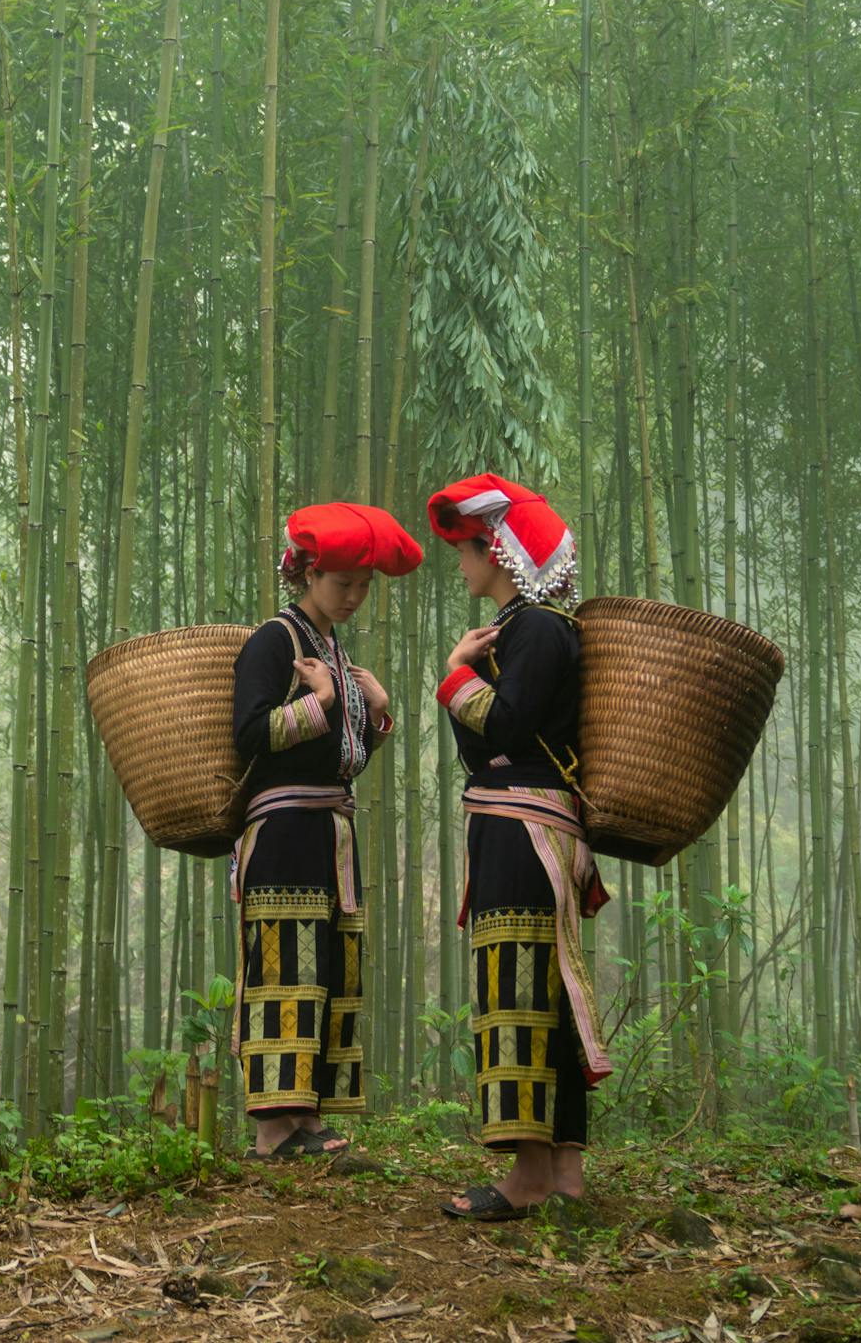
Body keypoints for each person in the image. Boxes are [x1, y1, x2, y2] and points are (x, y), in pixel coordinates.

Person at [425, 473, 612, 1221]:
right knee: (545, 990)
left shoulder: (536, 629)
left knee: (520, 990)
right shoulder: (533, 630)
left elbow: (502, 730)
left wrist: (454, 674)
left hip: (522, 832)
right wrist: (467, 671)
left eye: (467, 552)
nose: (462, 565)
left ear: (497, 549)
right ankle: (562, 1172)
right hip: (528, 824)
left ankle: (529, 1177)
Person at [228, 501, 422, 1165]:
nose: (355, 597)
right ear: (308, 572)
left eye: (365, 586)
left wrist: (378, 713)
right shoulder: (271, 642)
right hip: (282, 830)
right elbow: (250, 736)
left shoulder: (330, 649)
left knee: (325, 969)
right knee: (284, 967)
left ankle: (306, 1116)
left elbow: (346, 758)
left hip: (328, 831)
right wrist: (322, 703)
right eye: (344, 584)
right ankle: (271, 1131)